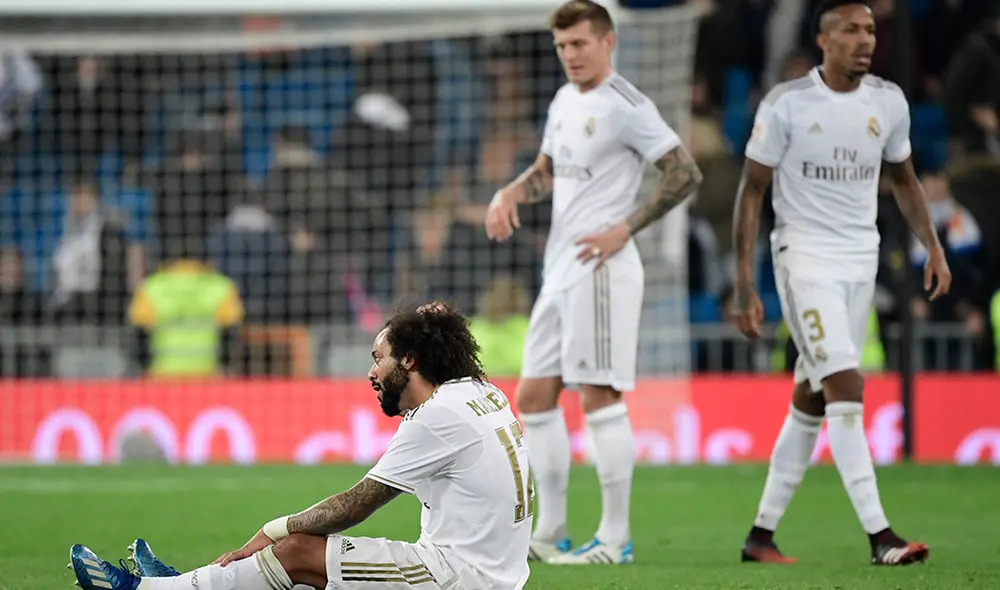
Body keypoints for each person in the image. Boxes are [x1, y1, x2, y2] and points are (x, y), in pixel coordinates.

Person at [67, 302, 533, 590]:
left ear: (409, 359)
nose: (371, 373)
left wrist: (271, 530)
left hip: (458, 578)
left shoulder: (436, 418)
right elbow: (448, 343)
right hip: (492, 572)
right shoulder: (480, 390)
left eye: (378, 359)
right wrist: (439, 321)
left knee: (298, 553)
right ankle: (185, 585)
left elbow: (353, 505)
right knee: (309, 577)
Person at [731, 0, 951, 566]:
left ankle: (760, 536)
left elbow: (903, 179)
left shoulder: (889, 101)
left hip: (861, 258)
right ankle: (882, 538)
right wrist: (743, 282)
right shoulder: (788, 103)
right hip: (804, 257)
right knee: (846, 388)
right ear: (823, 40)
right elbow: (752, 189)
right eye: (851, 30)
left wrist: (932, 245)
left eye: (870, 29)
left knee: (812, 397)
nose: (865, 39)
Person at [485, 0, 703, 565]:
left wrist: (623, 229)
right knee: (533, 399)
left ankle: (615, 539)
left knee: (598, 397)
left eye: (579, 44)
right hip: (560, 268)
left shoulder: (629, 105)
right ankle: (551, 528)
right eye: (562, 47)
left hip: (603, 270)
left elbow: (684, 173)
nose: (570, 56)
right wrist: (510, 191)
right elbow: (547, 172)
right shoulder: (563, 100)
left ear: (607, 42)